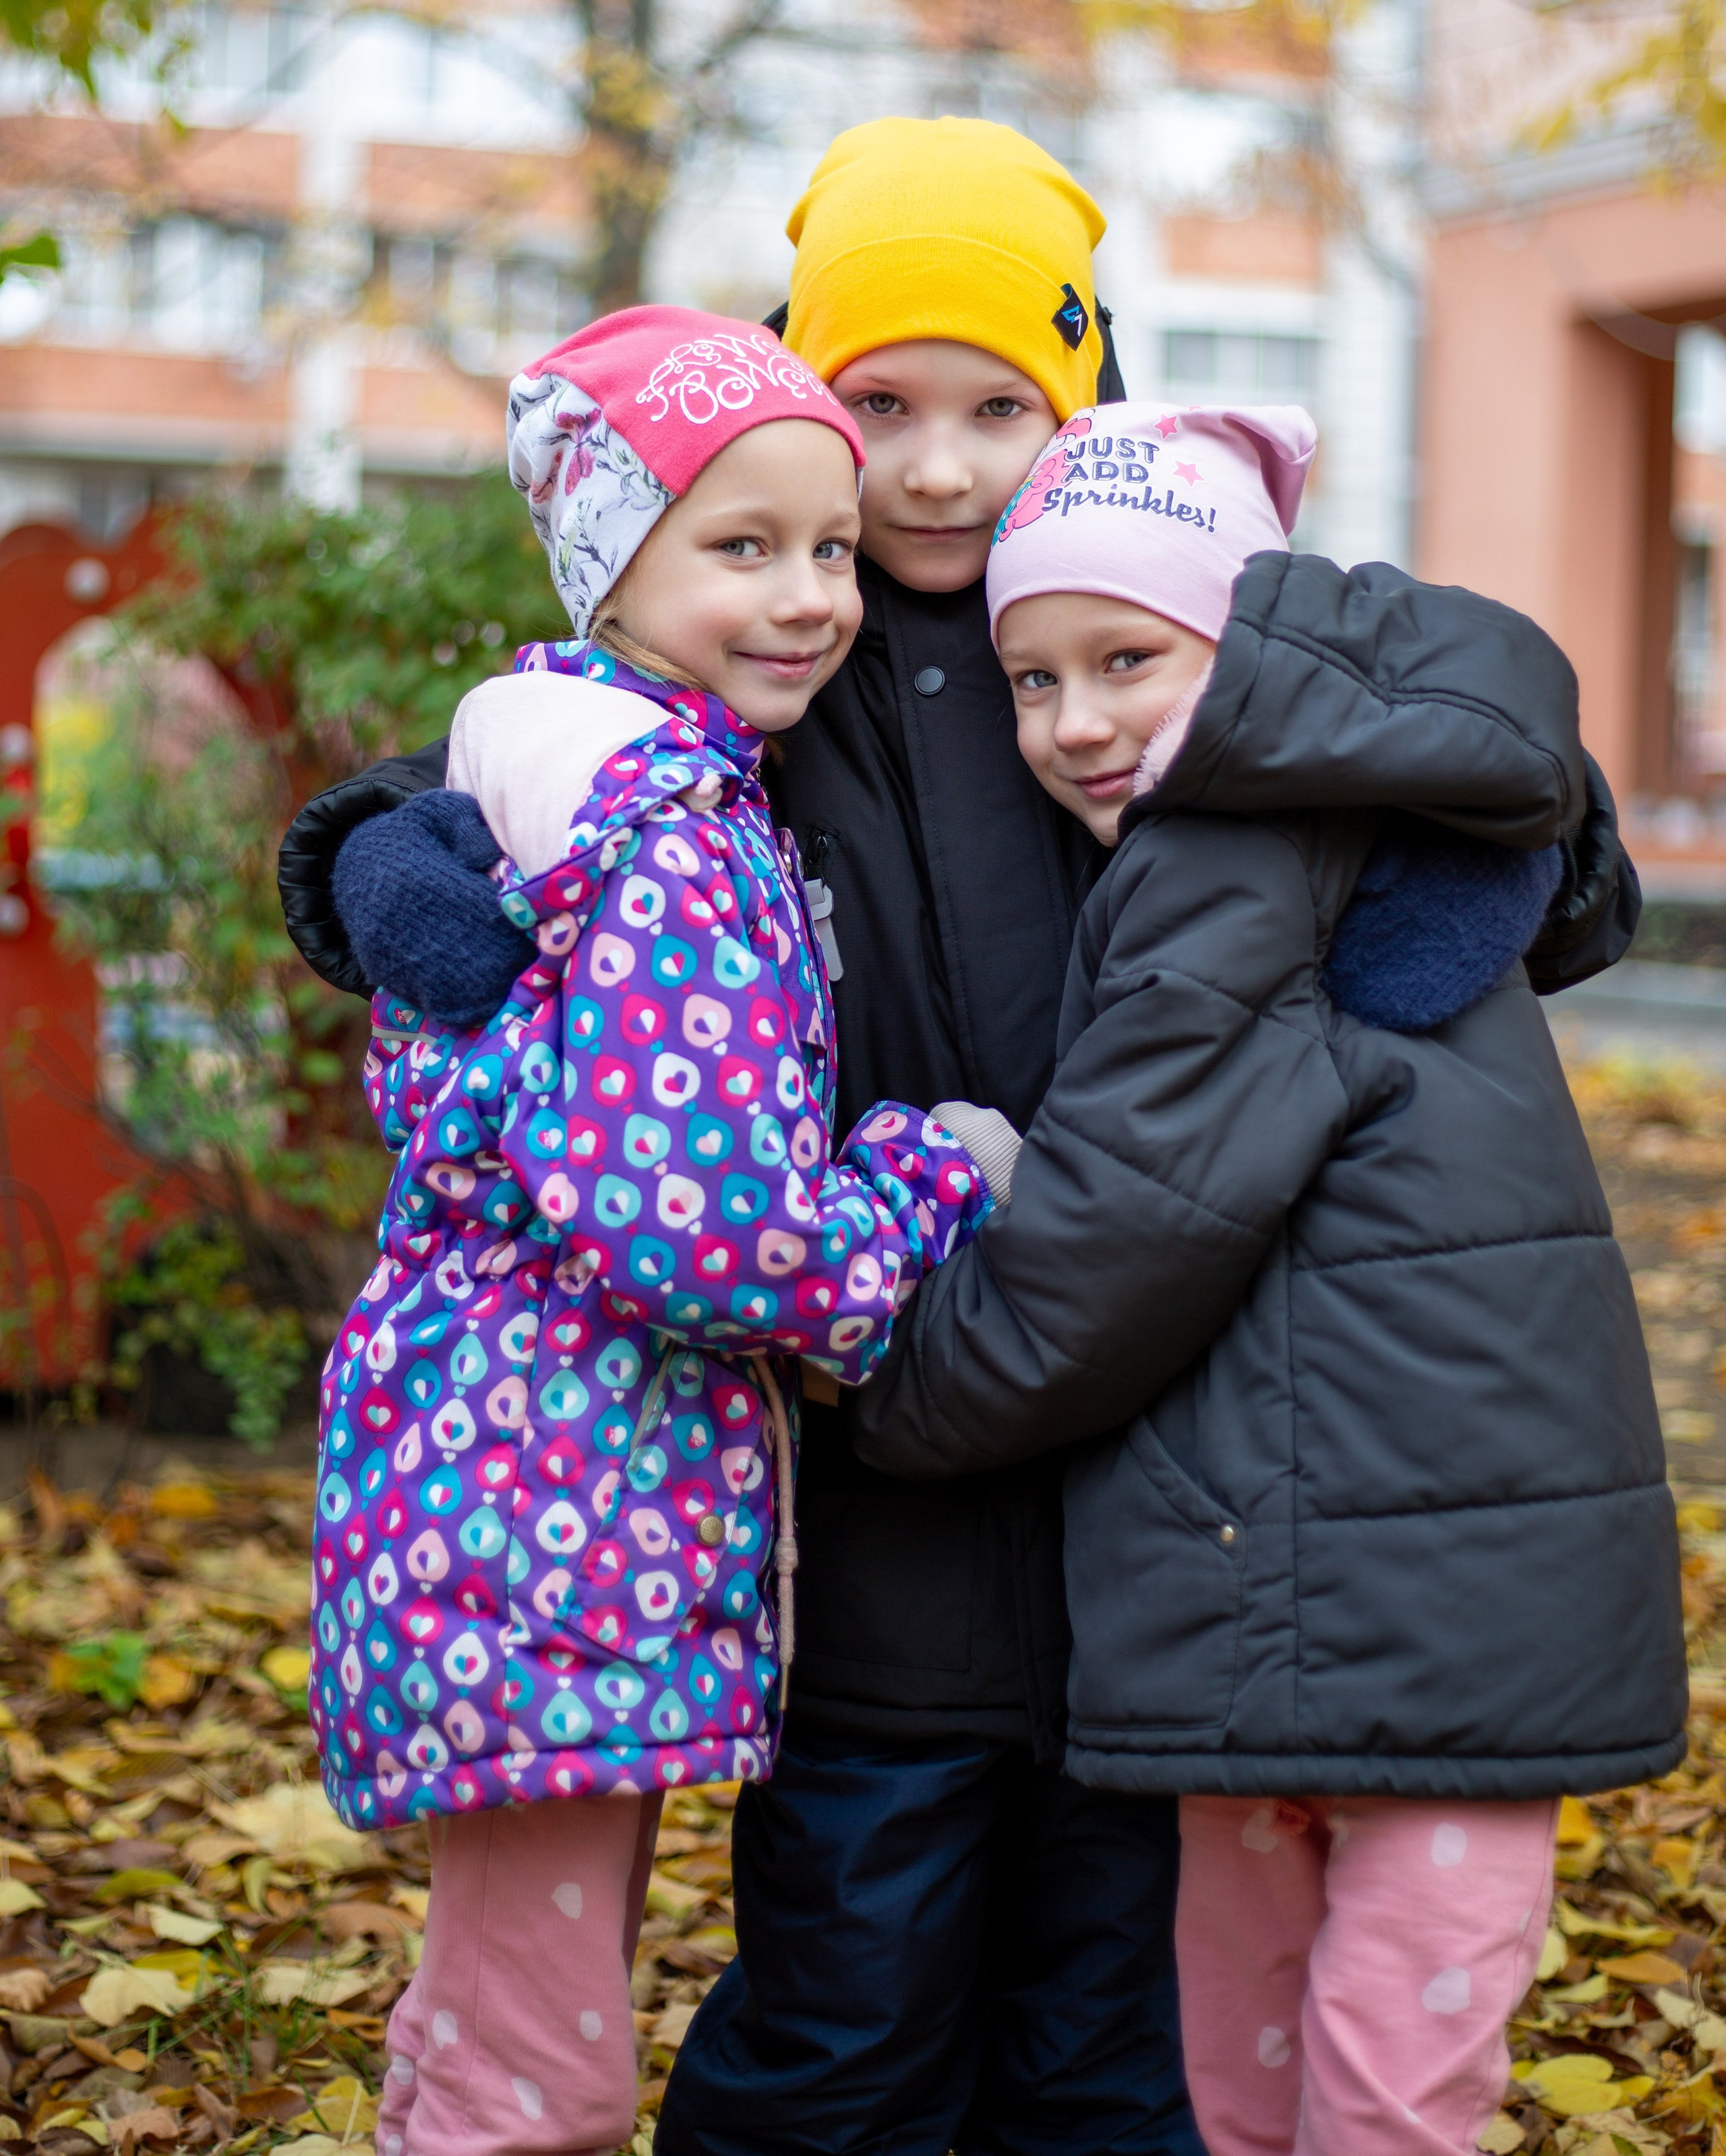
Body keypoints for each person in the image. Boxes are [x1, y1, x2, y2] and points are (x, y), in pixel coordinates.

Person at [279, 120, 1636, 2156]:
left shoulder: (1149, 624)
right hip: (875, 1486)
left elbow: (1458, 731)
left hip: (1156, 1488)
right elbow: (539, 737)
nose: (929, 472)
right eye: (879, 405)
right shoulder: (764, 649)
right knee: (848, 2010)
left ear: (1083, 401)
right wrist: (376, 847)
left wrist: (1521, 838)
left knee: (1120, 2041)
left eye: (1000, 407)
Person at [852, 398, 1688, 2156]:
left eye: (1125, 657)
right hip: (1368, 1601)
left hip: (1359, 1619)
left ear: (1245, 645)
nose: (1073, 722)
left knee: (1318, 2087)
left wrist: (887, 1387)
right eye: (1031, 676)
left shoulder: (1228, 858)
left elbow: (1112, 1243)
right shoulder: (1365, 817)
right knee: (1324, 2081)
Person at [318, 304, 994, 2156]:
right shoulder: (669, 824)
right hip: (555, 1495)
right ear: (612, 564)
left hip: (521, 1483)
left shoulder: (569, 778)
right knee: (538, 2064)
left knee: (506, 2006)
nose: (811, 598)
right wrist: (929, 1173)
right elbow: (697, 1225)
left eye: (831, 549)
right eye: (741, 547)